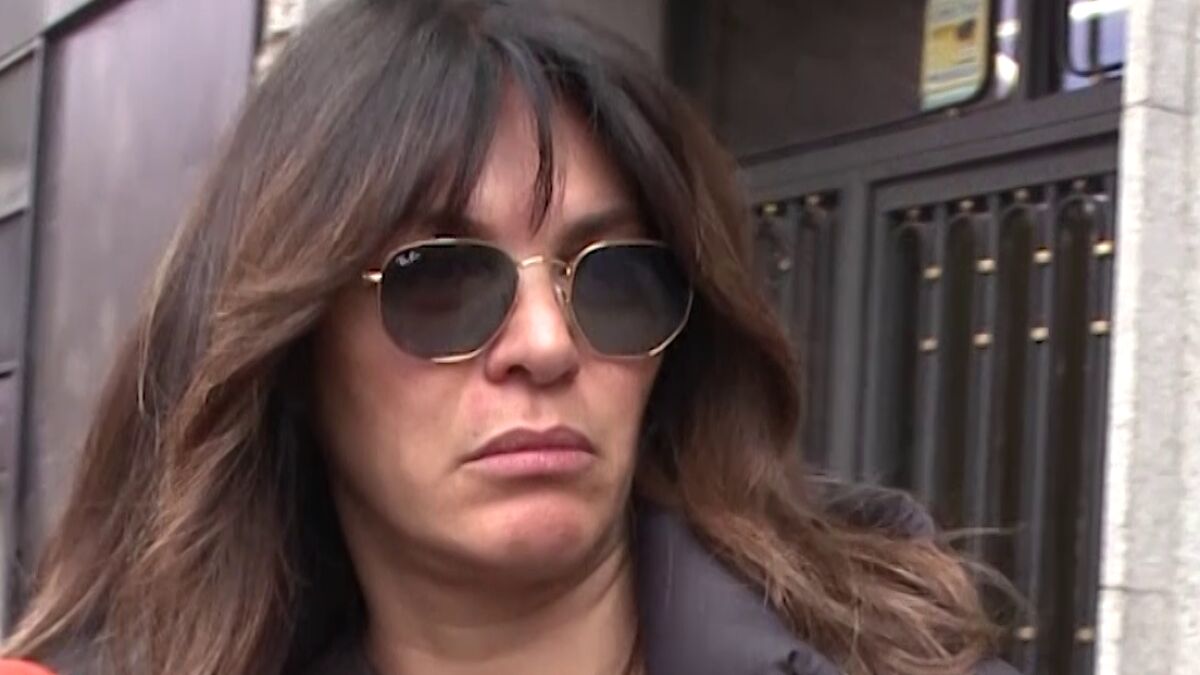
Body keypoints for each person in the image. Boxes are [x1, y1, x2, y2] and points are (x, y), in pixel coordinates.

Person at [1, 1, 1018, 673]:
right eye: (442, 281)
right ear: (295, 347)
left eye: (614, 280)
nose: (546, 343)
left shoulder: (892, 655)